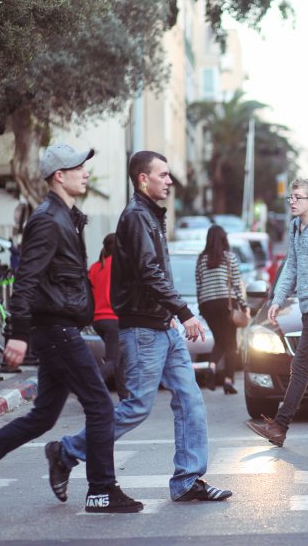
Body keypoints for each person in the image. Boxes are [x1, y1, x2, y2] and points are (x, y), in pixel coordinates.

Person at [0, 144, 142, 514]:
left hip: (60, 327)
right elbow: (26, 280)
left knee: (43, 417)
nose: (85, 172)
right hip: (56, 329)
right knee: (101, 406)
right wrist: (18, 333)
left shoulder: (66, 217)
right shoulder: (48, 220)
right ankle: (101, 490)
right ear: (58, 176)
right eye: (77, 167)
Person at [55, 150, 232, 502]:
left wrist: (174, 315)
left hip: (163, 326)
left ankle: (187, 479)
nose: (169, 181)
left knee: (191, 399)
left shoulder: (151, 215)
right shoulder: (136, 217)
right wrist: (184, 311)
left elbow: (154, 273)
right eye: (163, 175)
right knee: (136, 406)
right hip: (143, 329)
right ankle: (67, 451)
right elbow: (149, 272)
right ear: (143, 179)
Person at [247, 178, 308, 447]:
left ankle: (280, 425)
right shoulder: (295, 227)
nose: (292, 201)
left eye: (297, 197)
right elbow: (291, 266)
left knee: (301, 365)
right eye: (290, 197)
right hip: (307, 308)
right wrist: (277, 300)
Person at [196, 224, 248, 395]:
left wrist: (201, 307)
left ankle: (211, 367)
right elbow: (236, 284)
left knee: (220, 340)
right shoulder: (229, 258)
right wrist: (244, 305)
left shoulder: (201, 259)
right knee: (231, 343)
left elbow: (199, 284)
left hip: (207, 305)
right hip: (225, 304)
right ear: (224, 239)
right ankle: (228, 382)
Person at [89, 233, 128, 400]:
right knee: (113, 360)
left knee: (119, 358)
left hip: (97, 321)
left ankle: (124, 396)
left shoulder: (95, 267)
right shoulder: (121, 266)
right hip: (114, 320)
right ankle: (89, 385)